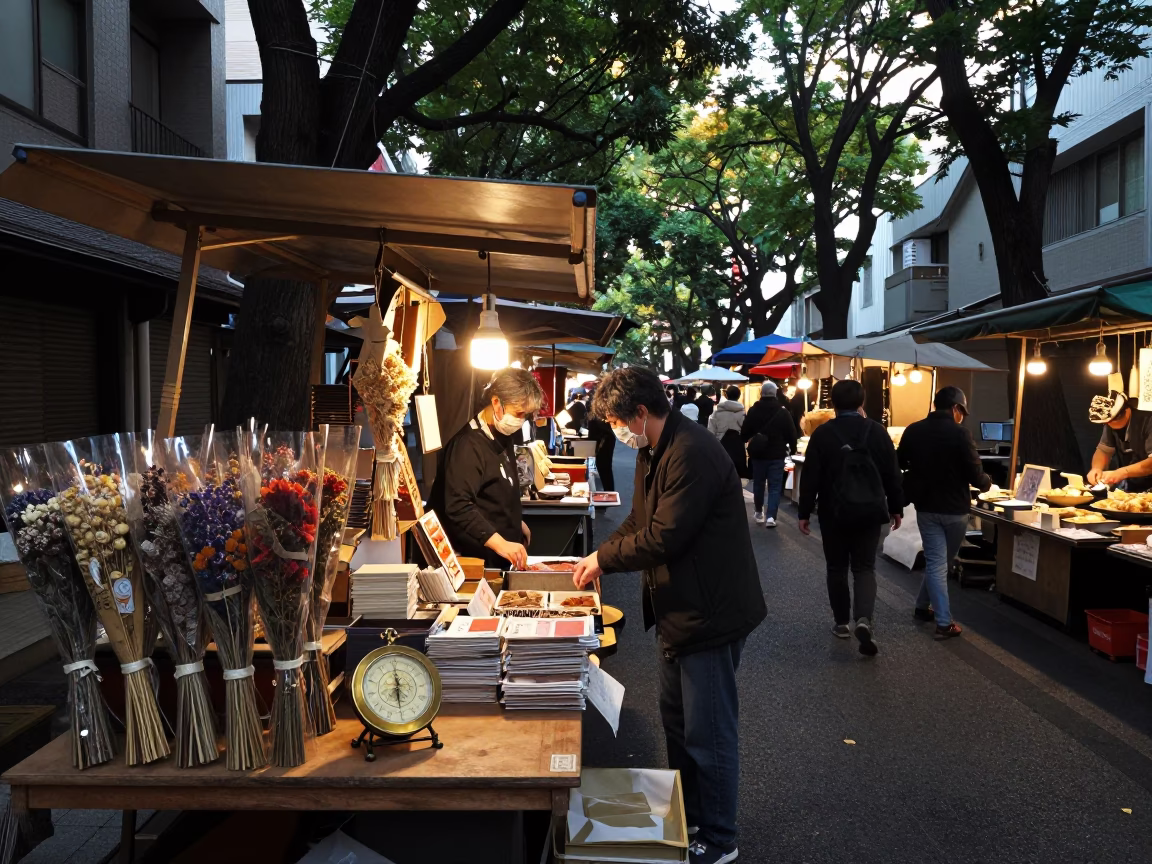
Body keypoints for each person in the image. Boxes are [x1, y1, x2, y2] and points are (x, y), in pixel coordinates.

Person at [572, 367, 765, 864]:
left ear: (640, 412)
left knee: (710, 732)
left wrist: (603, 560)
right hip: (677, 608)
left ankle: (721, 838)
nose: (617, 430)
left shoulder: (693, 451)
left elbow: (665, 536)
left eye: (617, 420)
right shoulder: (652, 449)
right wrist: (600, 555)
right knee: (678, 725)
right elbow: (640, 519)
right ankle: (694, 817)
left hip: (710, 611)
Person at [797, 379, 903, 656]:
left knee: (836, 567)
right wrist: (896, 507)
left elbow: (810, 476)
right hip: (870, 511)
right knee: (865, 567)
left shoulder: (823, 434)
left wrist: (804, 511)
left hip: (834, 511)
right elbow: (892, 472)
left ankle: (842, 622)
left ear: (832, 402)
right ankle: (864, 618)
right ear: (861, 402)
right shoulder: (877, 432)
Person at [898, 386, 991, 640]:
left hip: (925, 507)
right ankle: (943, 622)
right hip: (954, 510)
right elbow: (975, 471)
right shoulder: (961, 433)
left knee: (936, 561)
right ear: (955, 409)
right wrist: (987, 483)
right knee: (940, 562)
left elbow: (900, 461)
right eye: (962, 411)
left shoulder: (914, 430)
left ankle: (920, 607)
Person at [427, 369, 544, 569]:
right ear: (497, 403)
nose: (521, 420)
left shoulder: (502, 434)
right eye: (519, 413)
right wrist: (501, 544)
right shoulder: (467, 446)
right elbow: (458, 506)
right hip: (477, 559)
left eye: (526, 415)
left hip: (503, 556)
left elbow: (500, 487)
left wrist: (516, 522)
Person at [741, 381, 798, 528]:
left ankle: (759, 512)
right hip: (777, 454)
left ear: (762, 393)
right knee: (775, 486)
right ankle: (771, 516)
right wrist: (792, 448)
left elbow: (744, 432)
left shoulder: (754, 410)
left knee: (759, 483)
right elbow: (792, 433)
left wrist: (749, 440)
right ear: (775, 393)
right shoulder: (783, 411)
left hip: (758, 454)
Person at [1086, 390, 1152, 490]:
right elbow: (1104, 450)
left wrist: (1122, 472)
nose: (1109, 425)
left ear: (1127, 410)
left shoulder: (1148, 421)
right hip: (1134, 485)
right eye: (1106, 423)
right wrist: (1096, 468)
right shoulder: (1110, 424)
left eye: (1112, 421)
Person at [708, 385, 748, 479]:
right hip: (738, 449)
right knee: (737, 477)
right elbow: (746, 432)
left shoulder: (716, 413)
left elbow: (710, 433)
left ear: (726, 395)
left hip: (720, 449)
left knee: (722, 478)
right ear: (739, 396)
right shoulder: (742, 413)